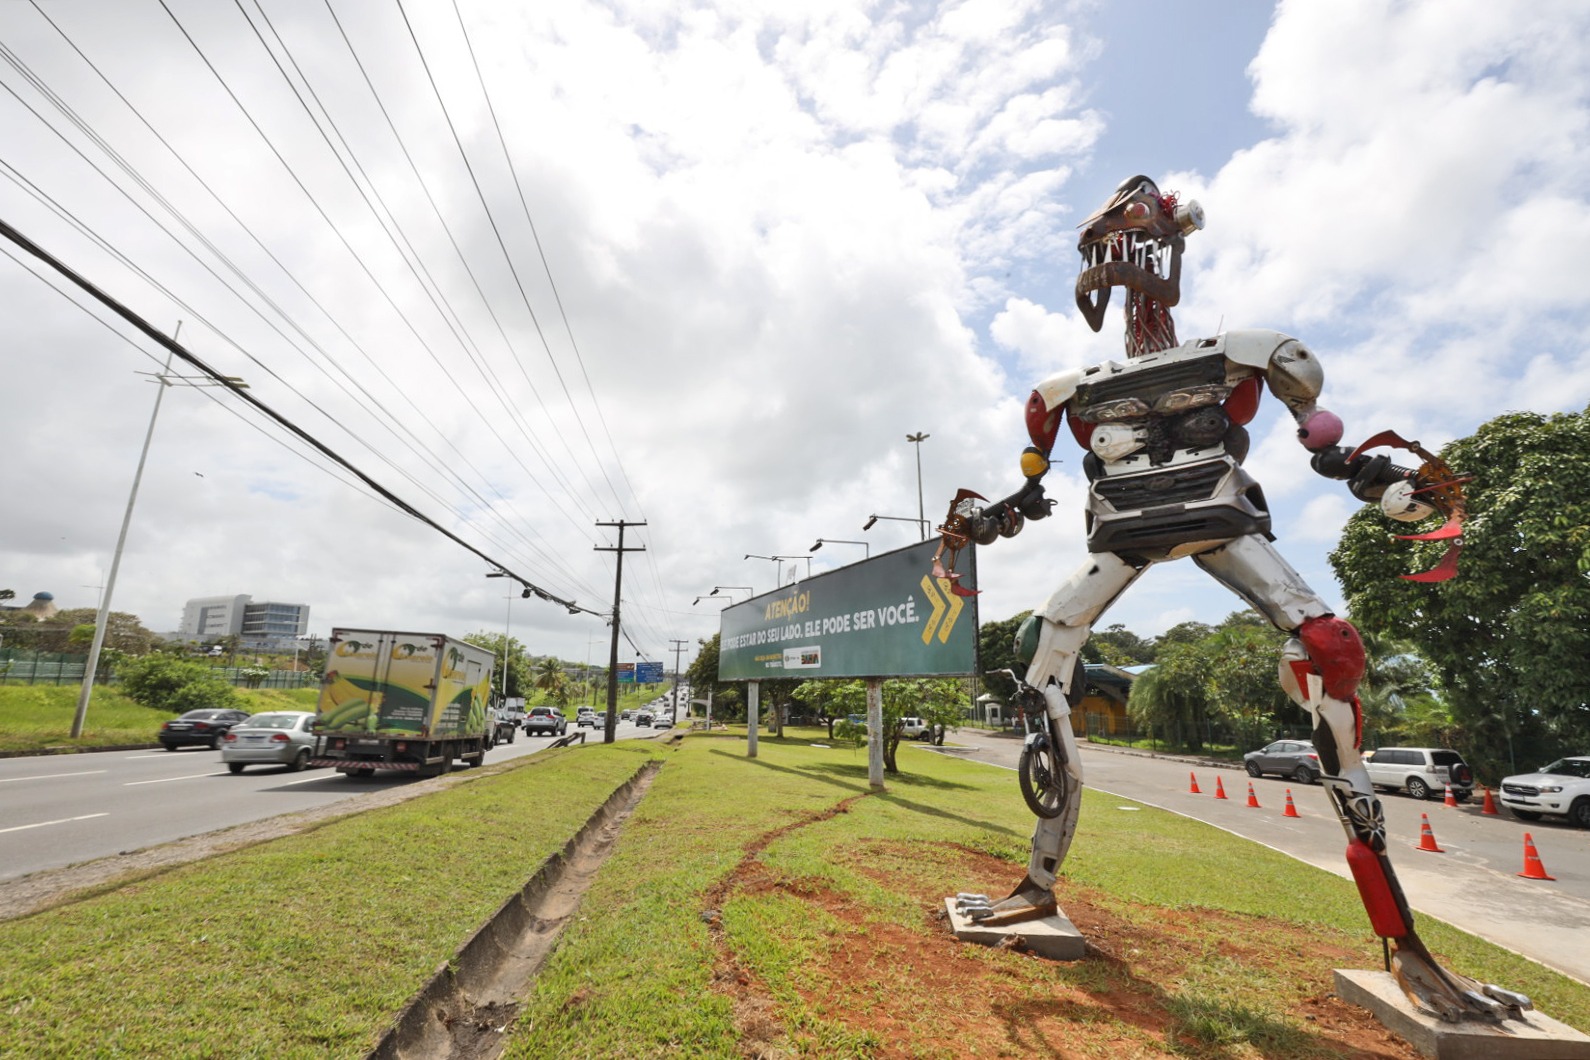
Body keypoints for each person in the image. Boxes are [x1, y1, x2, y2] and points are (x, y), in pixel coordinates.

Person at [941, 176, 1526, 1024]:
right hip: (1125, 533)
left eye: (1141, 225)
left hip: (1217, 519)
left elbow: (1325, 441)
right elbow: (1032, 495)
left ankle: (1402, 942)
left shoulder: (1246, 354)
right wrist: (990, 518)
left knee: (1330, 650)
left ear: (1171, 240)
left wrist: (1377, 477)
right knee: (1047, 663)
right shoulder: (1065, 394)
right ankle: (1037, 882)